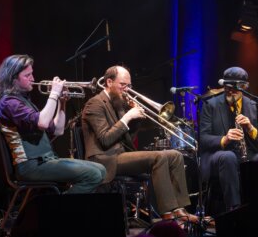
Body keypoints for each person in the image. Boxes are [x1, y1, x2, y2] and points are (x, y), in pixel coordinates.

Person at [81, 65, 199, 225]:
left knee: (175, 155)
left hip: (120, 154)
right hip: (104, 159)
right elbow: (105, 139)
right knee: (159, 157)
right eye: (123, 85)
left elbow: (126, 138)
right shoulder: (94, 104)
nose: (127, 89)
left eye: (129, 86)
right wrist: (128, 117)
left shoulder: (118, 103)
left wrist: (136, 120)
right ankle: (167, 214)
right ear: (109, 82)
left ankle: (180, 210)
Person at [0, 54, 106, 193]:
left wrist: (61, 102)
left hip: (45, 161)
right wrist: (54, 93)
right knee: (93, 175)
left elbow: (58, 130)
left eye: (32, 74)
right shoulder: (9, 103)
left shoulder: (23, 101)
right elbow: (43, 122)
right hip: (29, 166)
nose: (33, 79)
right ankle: (59, 212)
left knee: (101, 170)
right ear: (13, 78)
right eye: (27, 75)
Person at [199, 66, 258, 212]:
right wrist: (224, 139)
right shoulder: (210, 104)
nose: (231, 91)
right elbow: (202, 139)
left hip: (245, 154)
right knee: (228, 157)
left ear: (244, 87)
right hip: (217, 155)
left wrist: (250, 128)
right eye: (228, 86)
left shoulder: (253, 105)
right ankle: (234, 210)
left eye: (235, 87)